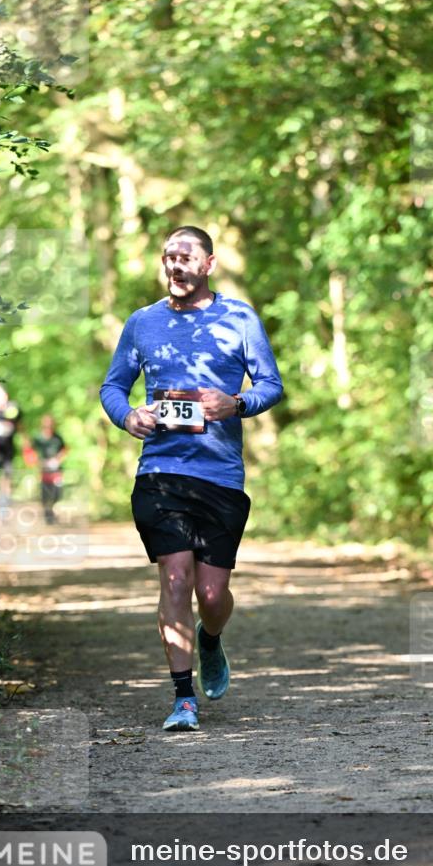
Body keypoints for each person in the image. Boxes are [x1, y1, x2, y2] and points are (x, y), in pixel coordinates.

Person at [100, 225, 283, 732]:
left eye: (185, 257)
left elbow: (271, 384)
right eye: (168, 257)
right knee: (175, 578)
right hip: (160, 470)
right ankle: (183, 698)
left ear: (208, 264)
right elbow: (114, 386)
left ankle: (210, 637)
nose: (175, 265)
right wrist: (128, 416)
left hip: (219, 474)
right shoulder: (142, 323)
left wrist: (237, 403)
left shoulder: (239, 318)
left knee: (211, 594)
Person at [28, 415, 68, 524]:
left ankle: (51, 511)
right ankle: (47, 514)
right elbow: (30, 451)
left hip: (56, 470)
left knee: (57, 492)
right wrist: (38, 462)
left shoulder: (57, 438)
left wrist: (57, 460)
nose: (48, 427)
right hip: (43, 470)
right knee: (45, 493)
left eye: (50, 425)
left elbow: (64, 450)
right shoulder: (37, 438)